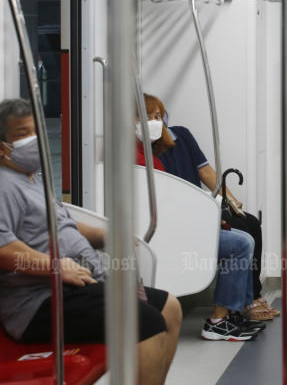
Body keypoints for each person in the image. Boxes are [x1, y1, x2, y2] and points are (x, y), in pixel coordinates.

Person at [0, 99, 182, 384]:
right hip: (39, 302)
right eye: (23, 135)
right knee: (147, 323)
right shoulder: (4, 185)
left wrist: (106, 234)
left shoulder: (31, 180)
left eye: (36, 132)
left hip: (74, 286)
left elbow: (64, 226)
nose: (34, 141)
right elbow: (3, 249)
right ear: (2, 147)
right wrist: (57, 267)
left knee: (170, 307)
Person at [137, 94, 277, 333]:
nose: (154, 122)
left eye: (158, 117)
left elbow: (206, 172)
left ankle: (248, 299)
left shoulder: (176, 139)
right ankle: (226, 315)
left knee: (250, 223)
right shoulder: (140, 160)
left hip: (194, 211)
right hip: (179, 221)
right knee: (242, 239)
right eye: (146, 117)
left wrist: (230, 201)